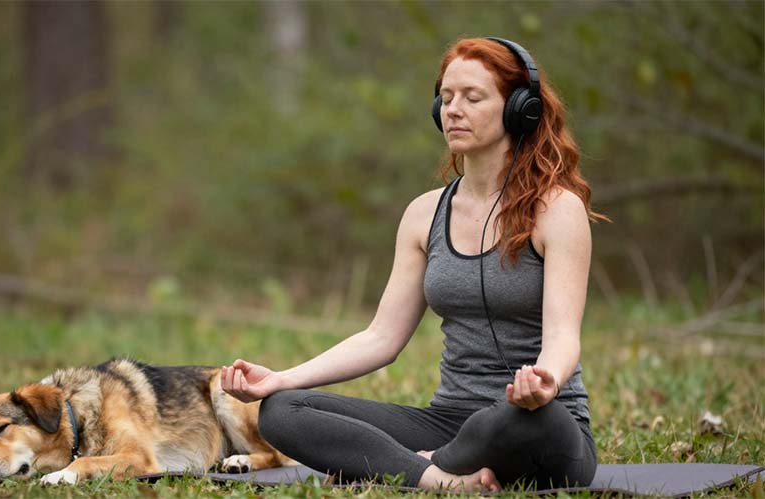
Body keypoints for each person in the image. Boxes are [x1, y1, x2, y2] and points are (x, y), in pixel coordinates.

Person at [221, 37, 606, 493]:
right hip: (446, 420)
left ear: (518, 108)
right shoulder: (425, 215)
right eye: (445, 98)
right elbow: (381, 337)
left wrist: (546, 380)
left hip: (537, 423)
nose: (453, 110)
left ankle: (423, 464)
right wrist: (281, 378)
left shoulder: (557, 209)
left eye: (472, 97)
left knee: (512, 423)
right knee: (282, 412)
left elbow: (563, 336)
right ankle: (437, 477)